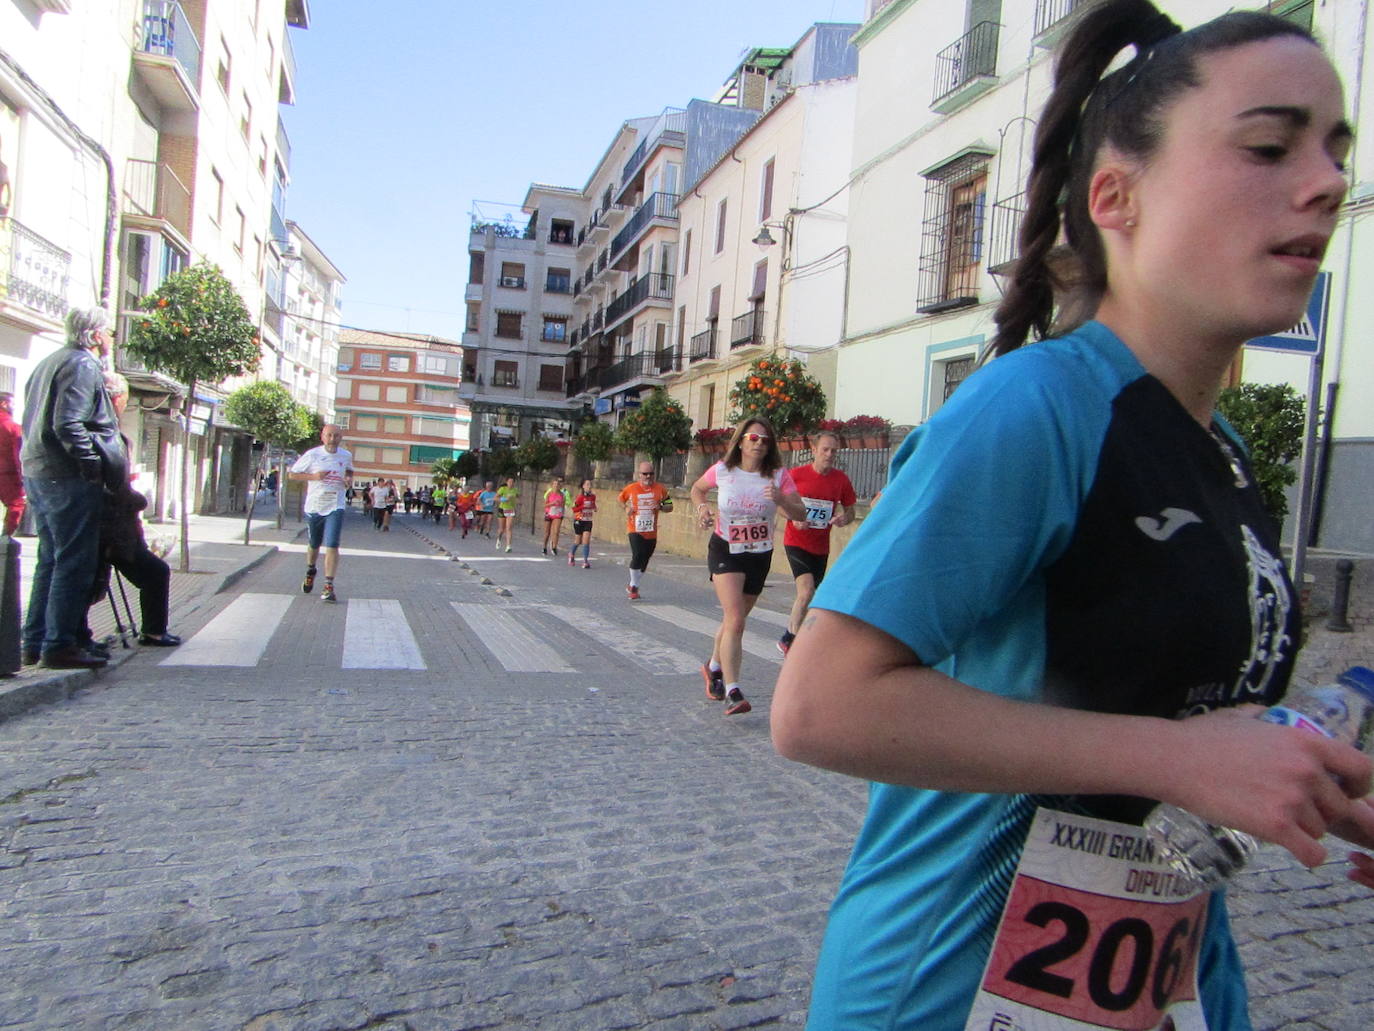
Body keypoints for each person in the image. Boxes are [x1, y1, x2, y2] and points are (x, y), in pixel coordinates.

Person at [770, 6, 1374, 1029]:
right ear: (1116, 197)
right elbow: (820, 707)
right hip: (949, 986)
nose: (1324, 181)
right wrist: (1175, 756)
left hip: (1160, 983)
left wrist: (1307, 774)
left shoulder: (1216, 446)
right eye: (1270, 146)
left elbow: (1191, 717)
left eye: (1334, 148)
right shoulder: (1035, 408)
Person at [20, 307, 125, 669]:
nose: (112, 338)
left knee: (51, 559)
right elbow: (69, 423)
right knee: (73, 562)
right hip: (66, 475)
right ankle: (59, 643)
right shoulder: (82, 365)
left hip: (40, 470)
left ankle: (37, 640)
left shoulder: (51, 360)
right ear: (95, 335)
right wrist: (92, 467)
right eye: (108, 331)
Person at [690, 417, 804, 716]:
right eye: (753, 438)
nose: (759, 444)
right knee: (736, 618)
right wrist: (702, 509)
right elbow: (697, 489)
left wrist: (781, 499)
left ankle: (713, 667)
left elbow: (799, 511)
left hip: (759, 553)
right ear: (740, 441)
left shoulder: (778, 476)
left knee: (733, 622)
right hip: (726, 547)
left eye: (765, 440)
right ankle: (733, 690)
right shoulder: (724, 471)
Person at [93, 372, 179, 649]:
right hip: (114, 535)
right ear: (118, 399)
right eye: (124, 398)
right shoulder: (109, 436)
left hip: (105, 530)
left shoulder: (98, 432)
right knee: (156, 573)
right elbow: (116, 491)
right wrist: (139, 500)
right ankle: (153, 632)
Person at [777, 431, 856, 656]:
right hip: (796, 541)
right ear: (813, 450)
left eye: (834, 450)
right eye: (825, 449)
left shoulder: (840, 480)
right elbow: (780, 504)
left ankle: (803, 636)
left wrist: (843, 518)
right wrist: (793, 517)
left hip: (821, 547)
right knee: (806, 590)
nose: (830, 454)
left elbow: (850, 511)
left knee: (814, 597)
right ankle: (789, 639)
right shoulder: (797, 475)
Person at [289, 424, 353, 603]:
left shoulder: (346, 455)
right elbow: (293, 475)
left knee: (332, 544)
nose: (333, 439)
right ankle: (311, 569)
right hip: (315, 505)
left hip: (335, 504)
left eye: (336, 436)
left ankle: (328, 585)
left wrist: (348, 479)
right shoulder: (312, 455)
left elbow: (349, 469)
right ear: (323, 437)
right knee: (314, 543)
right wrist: (314, 477)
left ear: (341, 438)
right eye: (329, 435)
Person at [618, 461, 671, 601]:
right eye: (645, 474)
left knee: (646, 558)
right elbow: (620, 499)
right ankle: (634, 587)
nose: (648, 476)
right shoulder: (631, 488)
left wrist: (660, 507)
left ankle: (632, 584)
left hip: (651, 530)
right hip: (634, 528)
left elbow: (670, 507)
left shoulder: (660, 489)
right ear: (639, 475)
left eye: (651, 474)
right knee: (638, 554)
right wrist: (626, 508)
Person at [0, 391, 25, 536]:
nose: (14, 407)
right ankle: (5, 540)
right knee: (15, 505)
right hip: (7, 476)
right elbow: (18, 455)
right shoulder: (13, 428)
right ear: (4, 404)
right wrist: (23, 477)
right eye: (13, 404)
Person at [569, 478, 596, 568]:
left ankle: (585, 561)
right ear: (583, 486)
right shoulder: (580, 497)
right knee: (578, 541)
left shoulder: (593, 496)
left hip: (588, 520)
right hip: (579, 520)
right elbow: (574, 509)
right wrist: (582, 507)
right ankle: (571, 554)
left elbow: (593, 504)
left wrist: (594, 507)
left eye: (590, 484)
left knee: (586, 541)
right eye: (587, 484)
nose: (589, 486)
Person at [541, 475, 569, 555]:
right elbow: (545, 505)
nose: (556, 486)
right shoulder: (549, 494)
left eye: (557, 484)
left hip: (558, 514)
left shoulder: (562, 495)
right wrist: (552, 503)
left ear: (560, 486)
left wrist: (562, 512)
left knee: (556, 531)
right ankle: (544, 547)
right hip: (549, 513)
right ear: (552, 485)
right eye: (554, 484)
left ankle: (554, 547)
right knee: (547, 532)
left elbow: (563, 505)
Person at [495, 475, 518, 552]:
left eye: (512, 482)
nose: (511, 483)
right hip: (502, 508)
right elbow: (495, 498)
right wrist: (503, 499)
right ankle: (499, 539)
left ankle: (508, 546)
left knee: (509, 528)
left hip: (510, 510)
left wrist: (516, 500)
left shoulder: (515, 490)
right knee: (501, 529)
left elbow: (519, 497)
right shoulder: (503, 489)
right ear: (507, 482)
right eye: (509, 482)